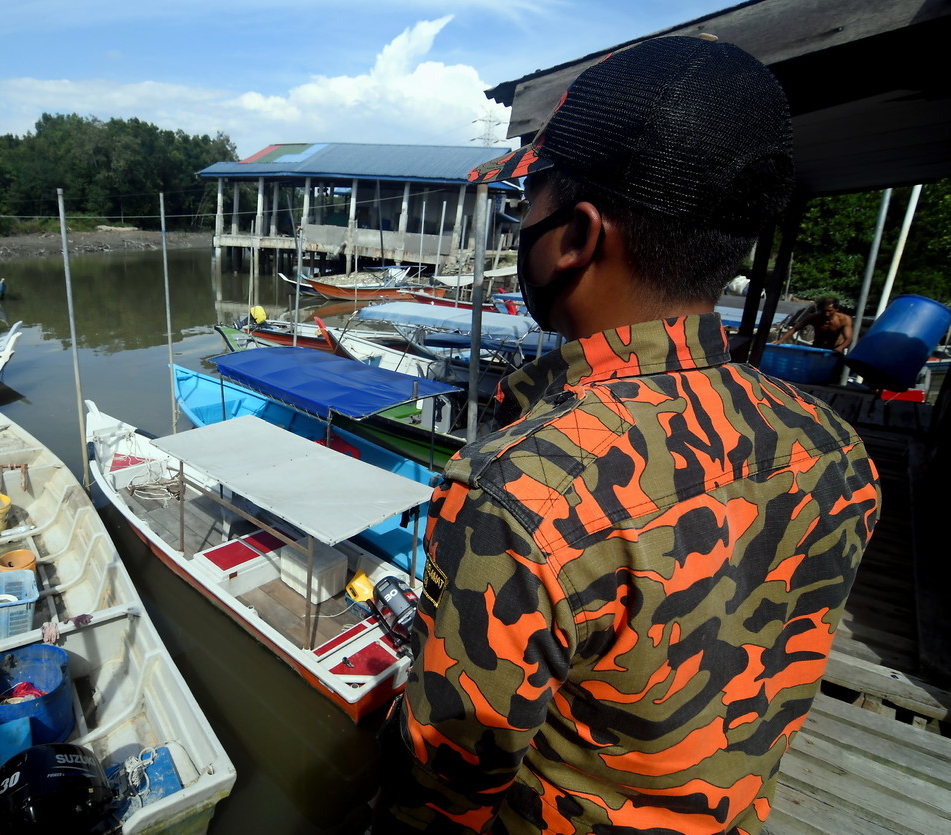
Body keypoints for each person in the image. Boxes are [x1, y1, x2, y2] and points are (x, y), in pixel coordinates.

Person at [373, 36, 881, 835]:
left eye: (525, 206)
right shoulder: (831, 446)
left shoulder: (524, 491)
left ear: (574, 237)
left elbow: (441, 789)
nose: (519, 229)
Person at [776, 296, 853, 351]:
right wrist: (780, 341)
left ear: (836, 309)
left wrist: (841, 347)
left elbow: (848, 338)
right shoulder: (814, 318)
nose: (826, 314)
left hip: (834, 350)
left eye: (830, 311)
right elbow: (795, 328)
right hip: (817, 348)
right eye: (824, 311)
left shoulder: (844, 319)